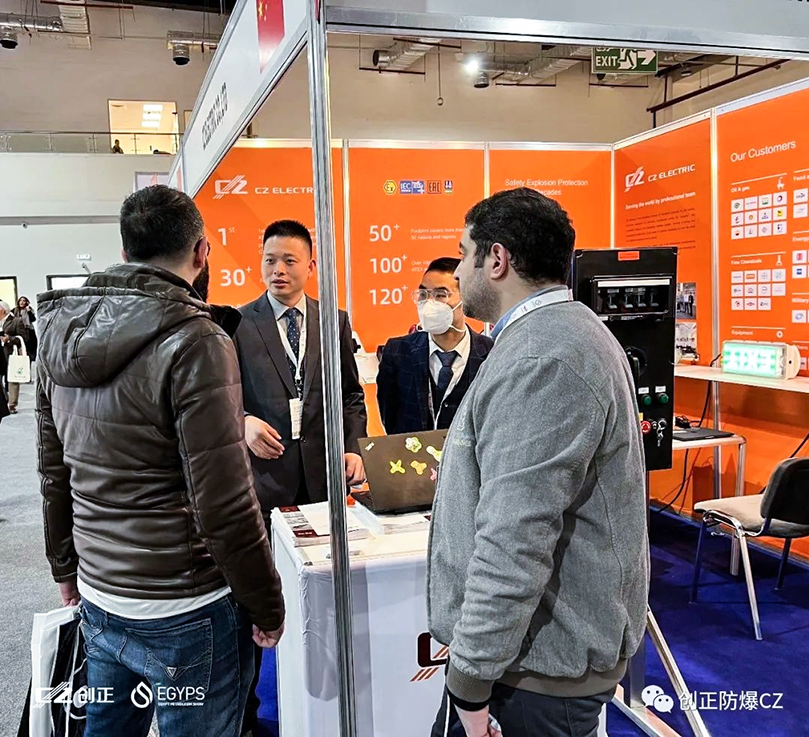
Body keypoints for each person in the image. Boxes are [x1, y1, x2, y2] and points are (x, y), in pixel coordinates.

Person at [36, 184, 284, 737]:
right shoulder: (198, 340)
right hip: (187, 604)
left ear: (125, 252)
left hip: (99, 590)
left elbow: (54, 474)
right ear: (201, 252)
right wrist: (267, 603)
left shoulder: (57, 331)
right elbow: (224, 502)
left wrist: (64, 567)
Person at [427, 188, 648, 737]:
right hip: (529, 662)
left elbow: (516, 536)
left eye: (465, 254)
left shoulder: (543, 356)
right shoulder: (556, 337)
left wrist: (470, 680)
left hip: (531, 677)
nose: (459, 272)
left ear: (497, 260)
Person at [234, 218, 367, 736]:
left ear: (311, 266)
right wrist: (243, 423)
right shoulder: (239, 323)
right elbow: (223, 396)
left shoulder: (333, 320)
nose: (278, 270)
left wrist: (353, 447)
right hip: (265, 479)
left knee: (326, 588)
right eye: (270, 260)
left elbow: (350, 395)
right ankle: (255, 708)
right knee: (263, 594)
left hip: (322, 479)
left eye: (290, 260)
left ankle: (329, 689)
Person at [376, 258, 493, 434]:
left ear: (467, 297)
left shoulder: (491, 353)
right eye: (423, 294)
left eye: (440, 295)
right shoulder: (397, 352)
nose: (429, 303)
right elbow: (390, 418)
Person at [10, 295, 36, 360]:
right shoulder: (14, 310)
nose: (21, 302)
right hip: (19, 331)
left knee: (30, 348)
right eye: (20, 301)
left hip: (29, 330)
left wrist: (28, 311)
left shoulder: (29, 310)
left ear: (26, 302)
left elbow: (33, 319)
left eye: (24, 301)